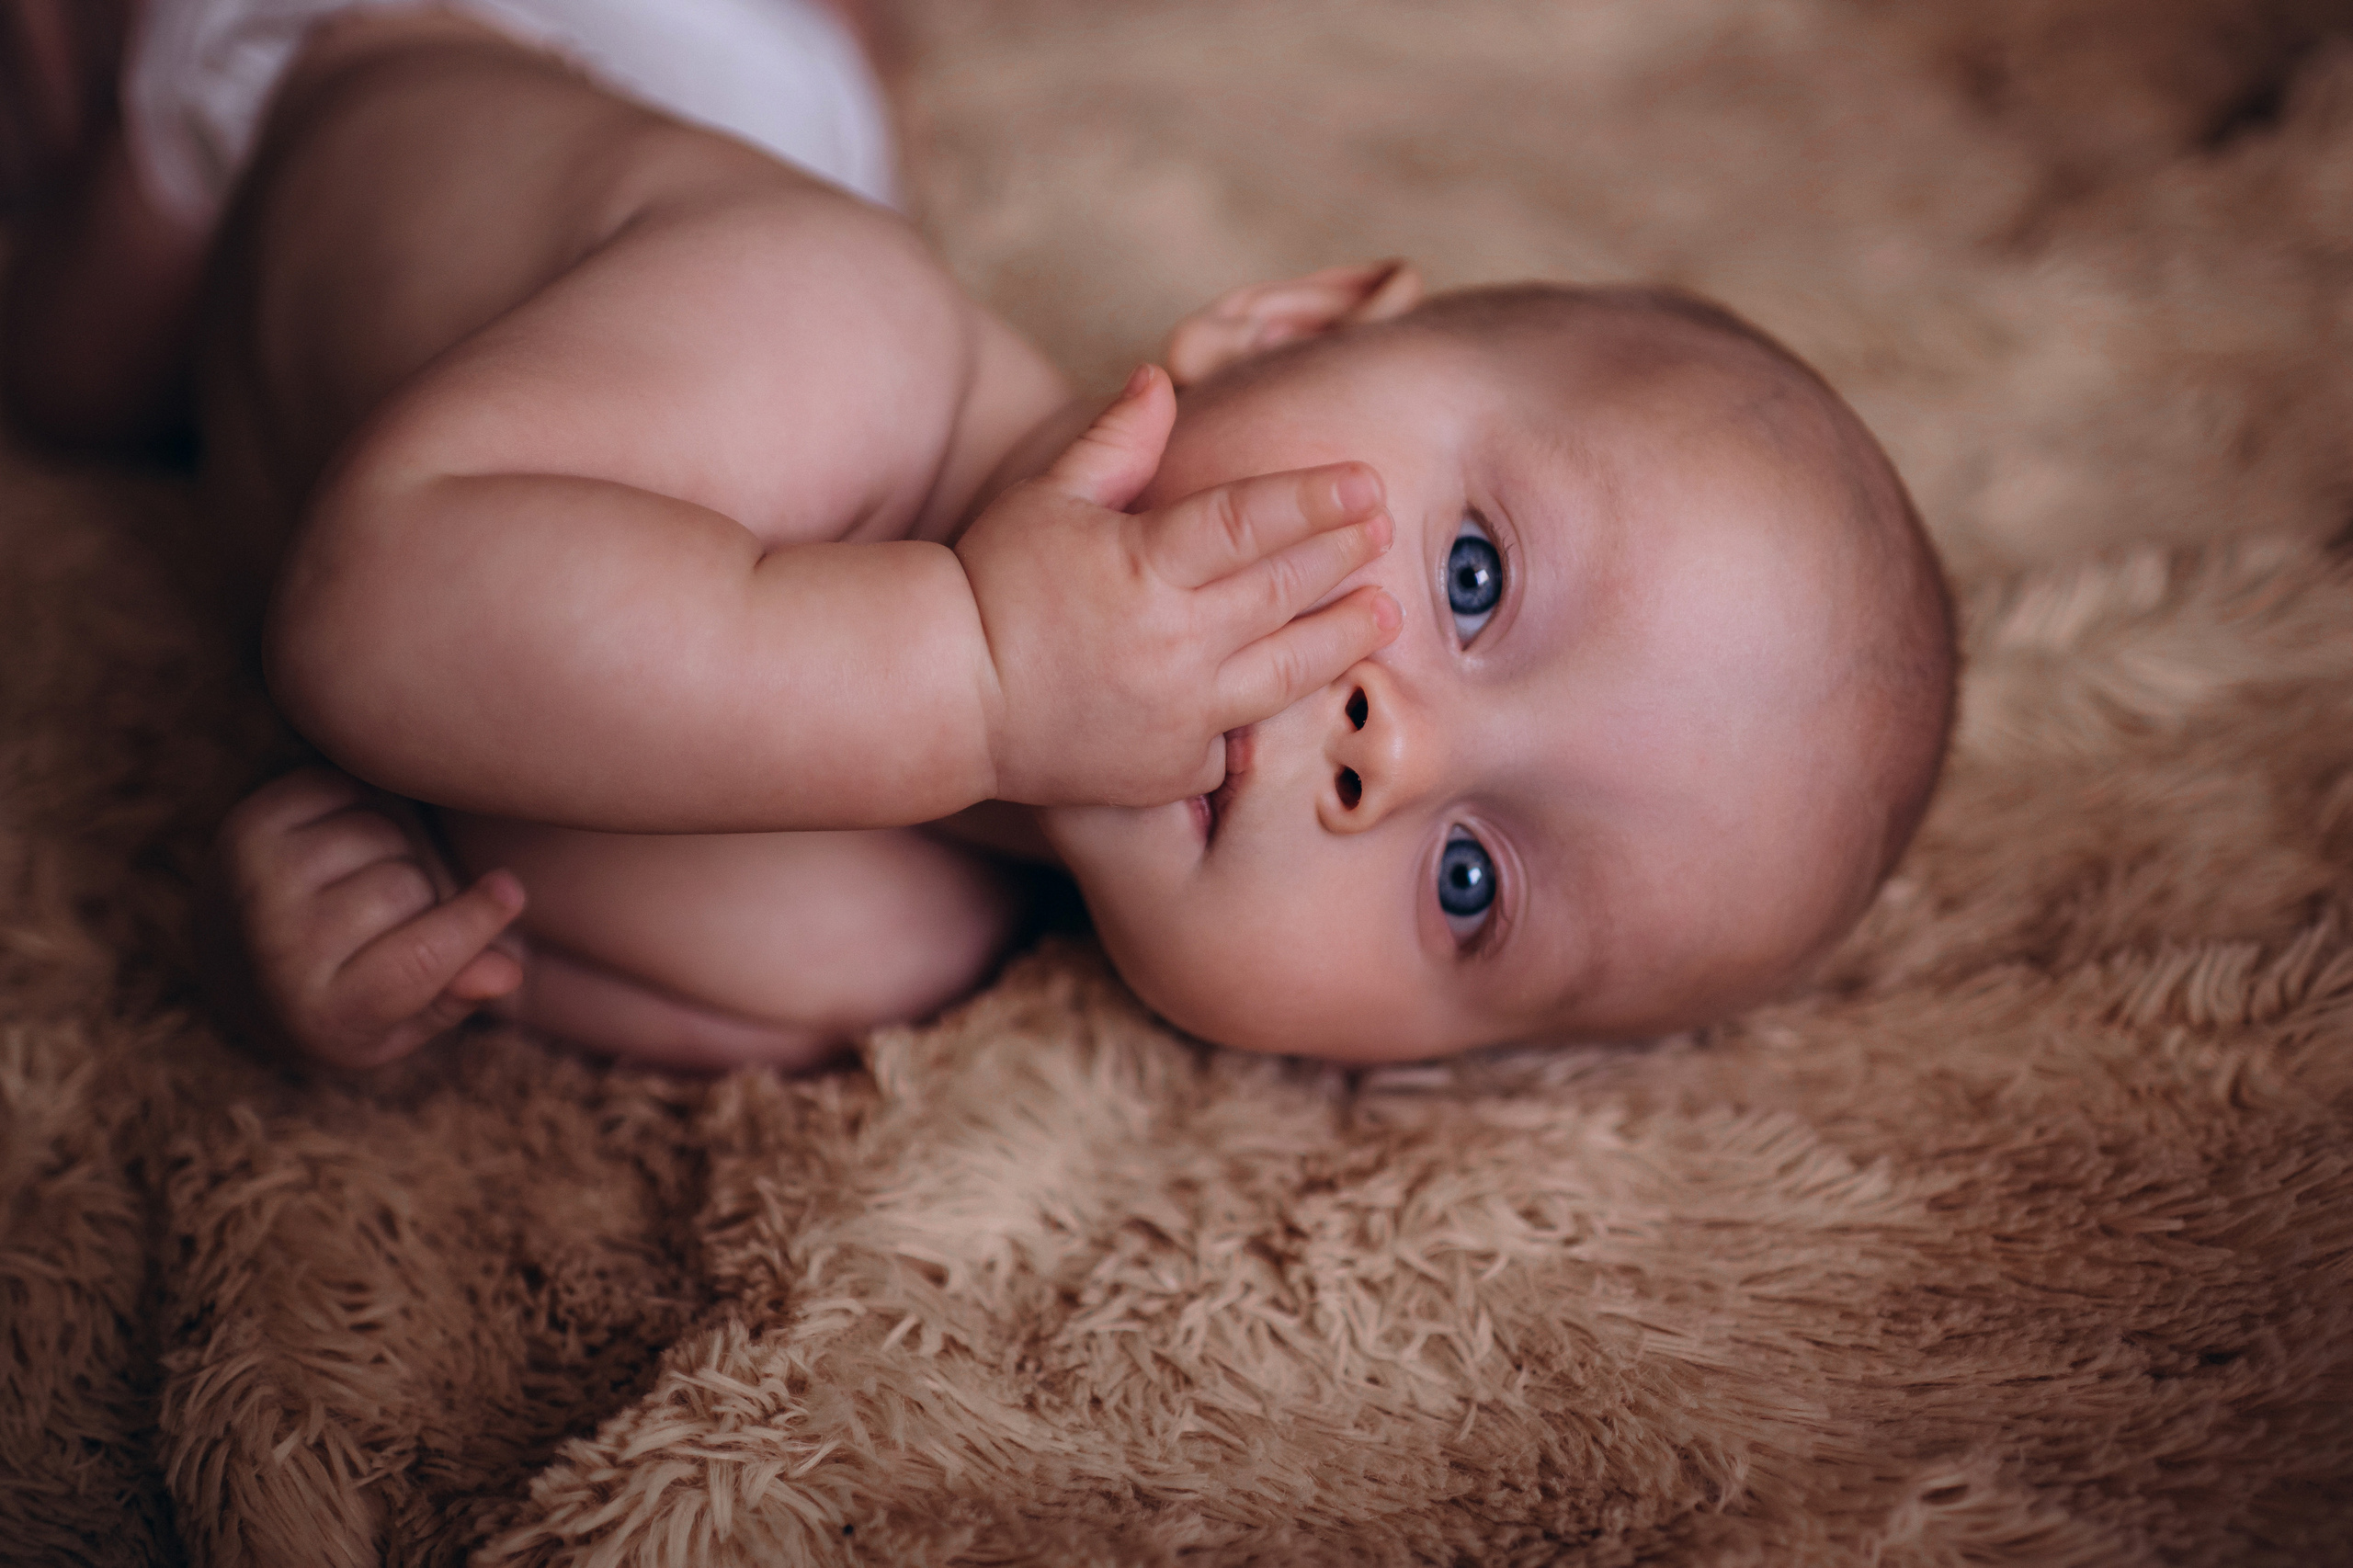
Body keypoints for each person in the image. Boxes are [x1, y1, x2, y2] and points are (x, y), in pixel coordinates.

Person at [1, 0, 1956, 1073]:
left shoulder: (881, 958)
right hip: (367, 66)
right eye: (1471, 581)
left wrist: (337, 961)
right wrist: (979, 676)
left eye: (1469, 888)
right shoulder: (828, 344)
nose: (1388, 744)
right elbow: (369, 608)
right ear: (1277, 335)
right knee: (78, 353)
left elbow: (469, 882)